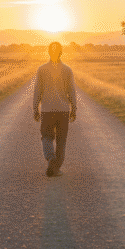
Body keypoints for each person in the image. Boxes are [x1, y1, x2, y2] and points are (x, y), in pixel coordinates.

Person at [33, 42, 77, 177]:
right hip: (63, 110)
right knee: (61, 140)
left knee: (46, 137)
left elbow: (37, 91)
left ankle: (51, 159)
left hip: (47, 110)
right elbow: (72, 91)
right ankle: (56, 168)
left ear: (48, 52)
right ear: (61, 52)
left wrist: (35, 108)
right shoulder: (67, 70)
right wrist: (74, 108)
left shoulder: (41, 69)